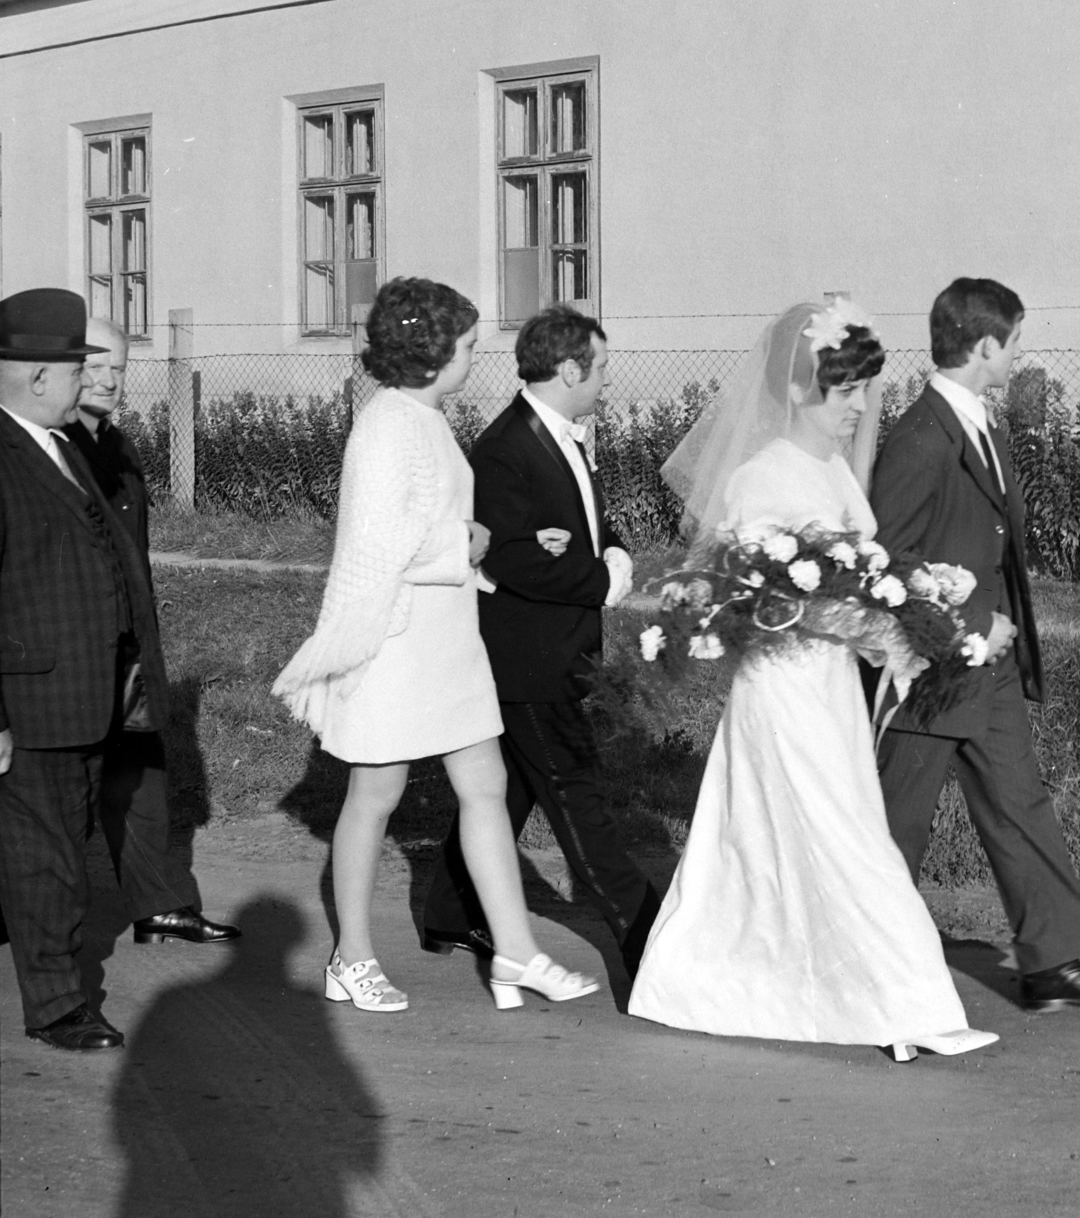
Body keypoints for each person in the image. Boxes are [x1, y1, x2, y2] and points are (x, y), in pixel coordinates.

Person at [627, 301, 998, 1060]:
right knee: (841, 839)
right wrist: (902, 632)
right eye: (846, 391)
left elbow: (860, 573)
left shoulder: (830, 470)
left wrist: (919, 593)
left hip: (827, 689)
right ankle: (903, 1004)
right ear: (799, 390)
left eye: (865, 388)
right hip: (785, 688)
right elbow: (785, 606)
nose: (860, 407)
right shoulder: (761, 479)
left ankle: (759, 983)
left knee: (802, 838)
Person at [273, 278, 597, 1014]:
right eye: (467, 347)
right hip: (398, 640)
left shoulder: (425, 417)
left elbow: (443, 523)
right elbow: (378, 544)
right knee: (376, 793)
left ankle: (515, 950)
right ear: (431, 352)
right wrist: (468, 542)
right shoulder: (388, 423)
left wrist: (492, 543)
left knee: (483, 784)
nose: (474, 360)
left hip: (446, 636)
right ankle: (350, 957)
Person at [872, 278, 1080, 1012]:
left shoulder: (978, 424)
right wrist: (965, 631)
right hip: (932, 673)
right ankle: (863, 970)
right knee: (896, 829)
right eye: (1015, 341)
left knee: (1021, 803)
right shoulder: (920, 438)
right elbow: (885, 565)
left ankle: (1051, 962)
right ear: (985, 345)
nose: (1021, 354)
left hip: (986, 671)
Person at [422, 304, 662, 978]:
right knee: (576, 796)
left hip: (557, 649)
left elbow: (587, 523)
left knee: (512, 789)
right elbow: (509, 558)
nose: (608, 380)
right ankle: (645, 934)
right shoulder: (506, 448)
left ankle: (448, 907)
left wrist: (612, 552)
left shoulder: (563, 434)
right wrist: (597, 577)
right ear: (568, 368)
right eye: (602, 367)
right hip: (529, 660)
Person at [0, 290, 183, 1050]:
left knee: (55, 846)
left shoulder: (64, 443)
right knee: (45, 855)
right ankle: (55, 1004)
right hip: (33, 695)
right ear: (40, 376)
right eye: (78, 368)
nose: (92, 381)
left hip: (83, 690)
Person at [62, 316, 240, 948]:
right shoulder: (48, 449)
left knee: (142, 772)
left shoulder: (116, 444)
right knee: (60, 795)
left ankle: (160, 906)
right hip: (74, 652)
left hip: (129, 646)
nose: (109, 380)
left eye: (119, 367)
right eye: (94, 366)